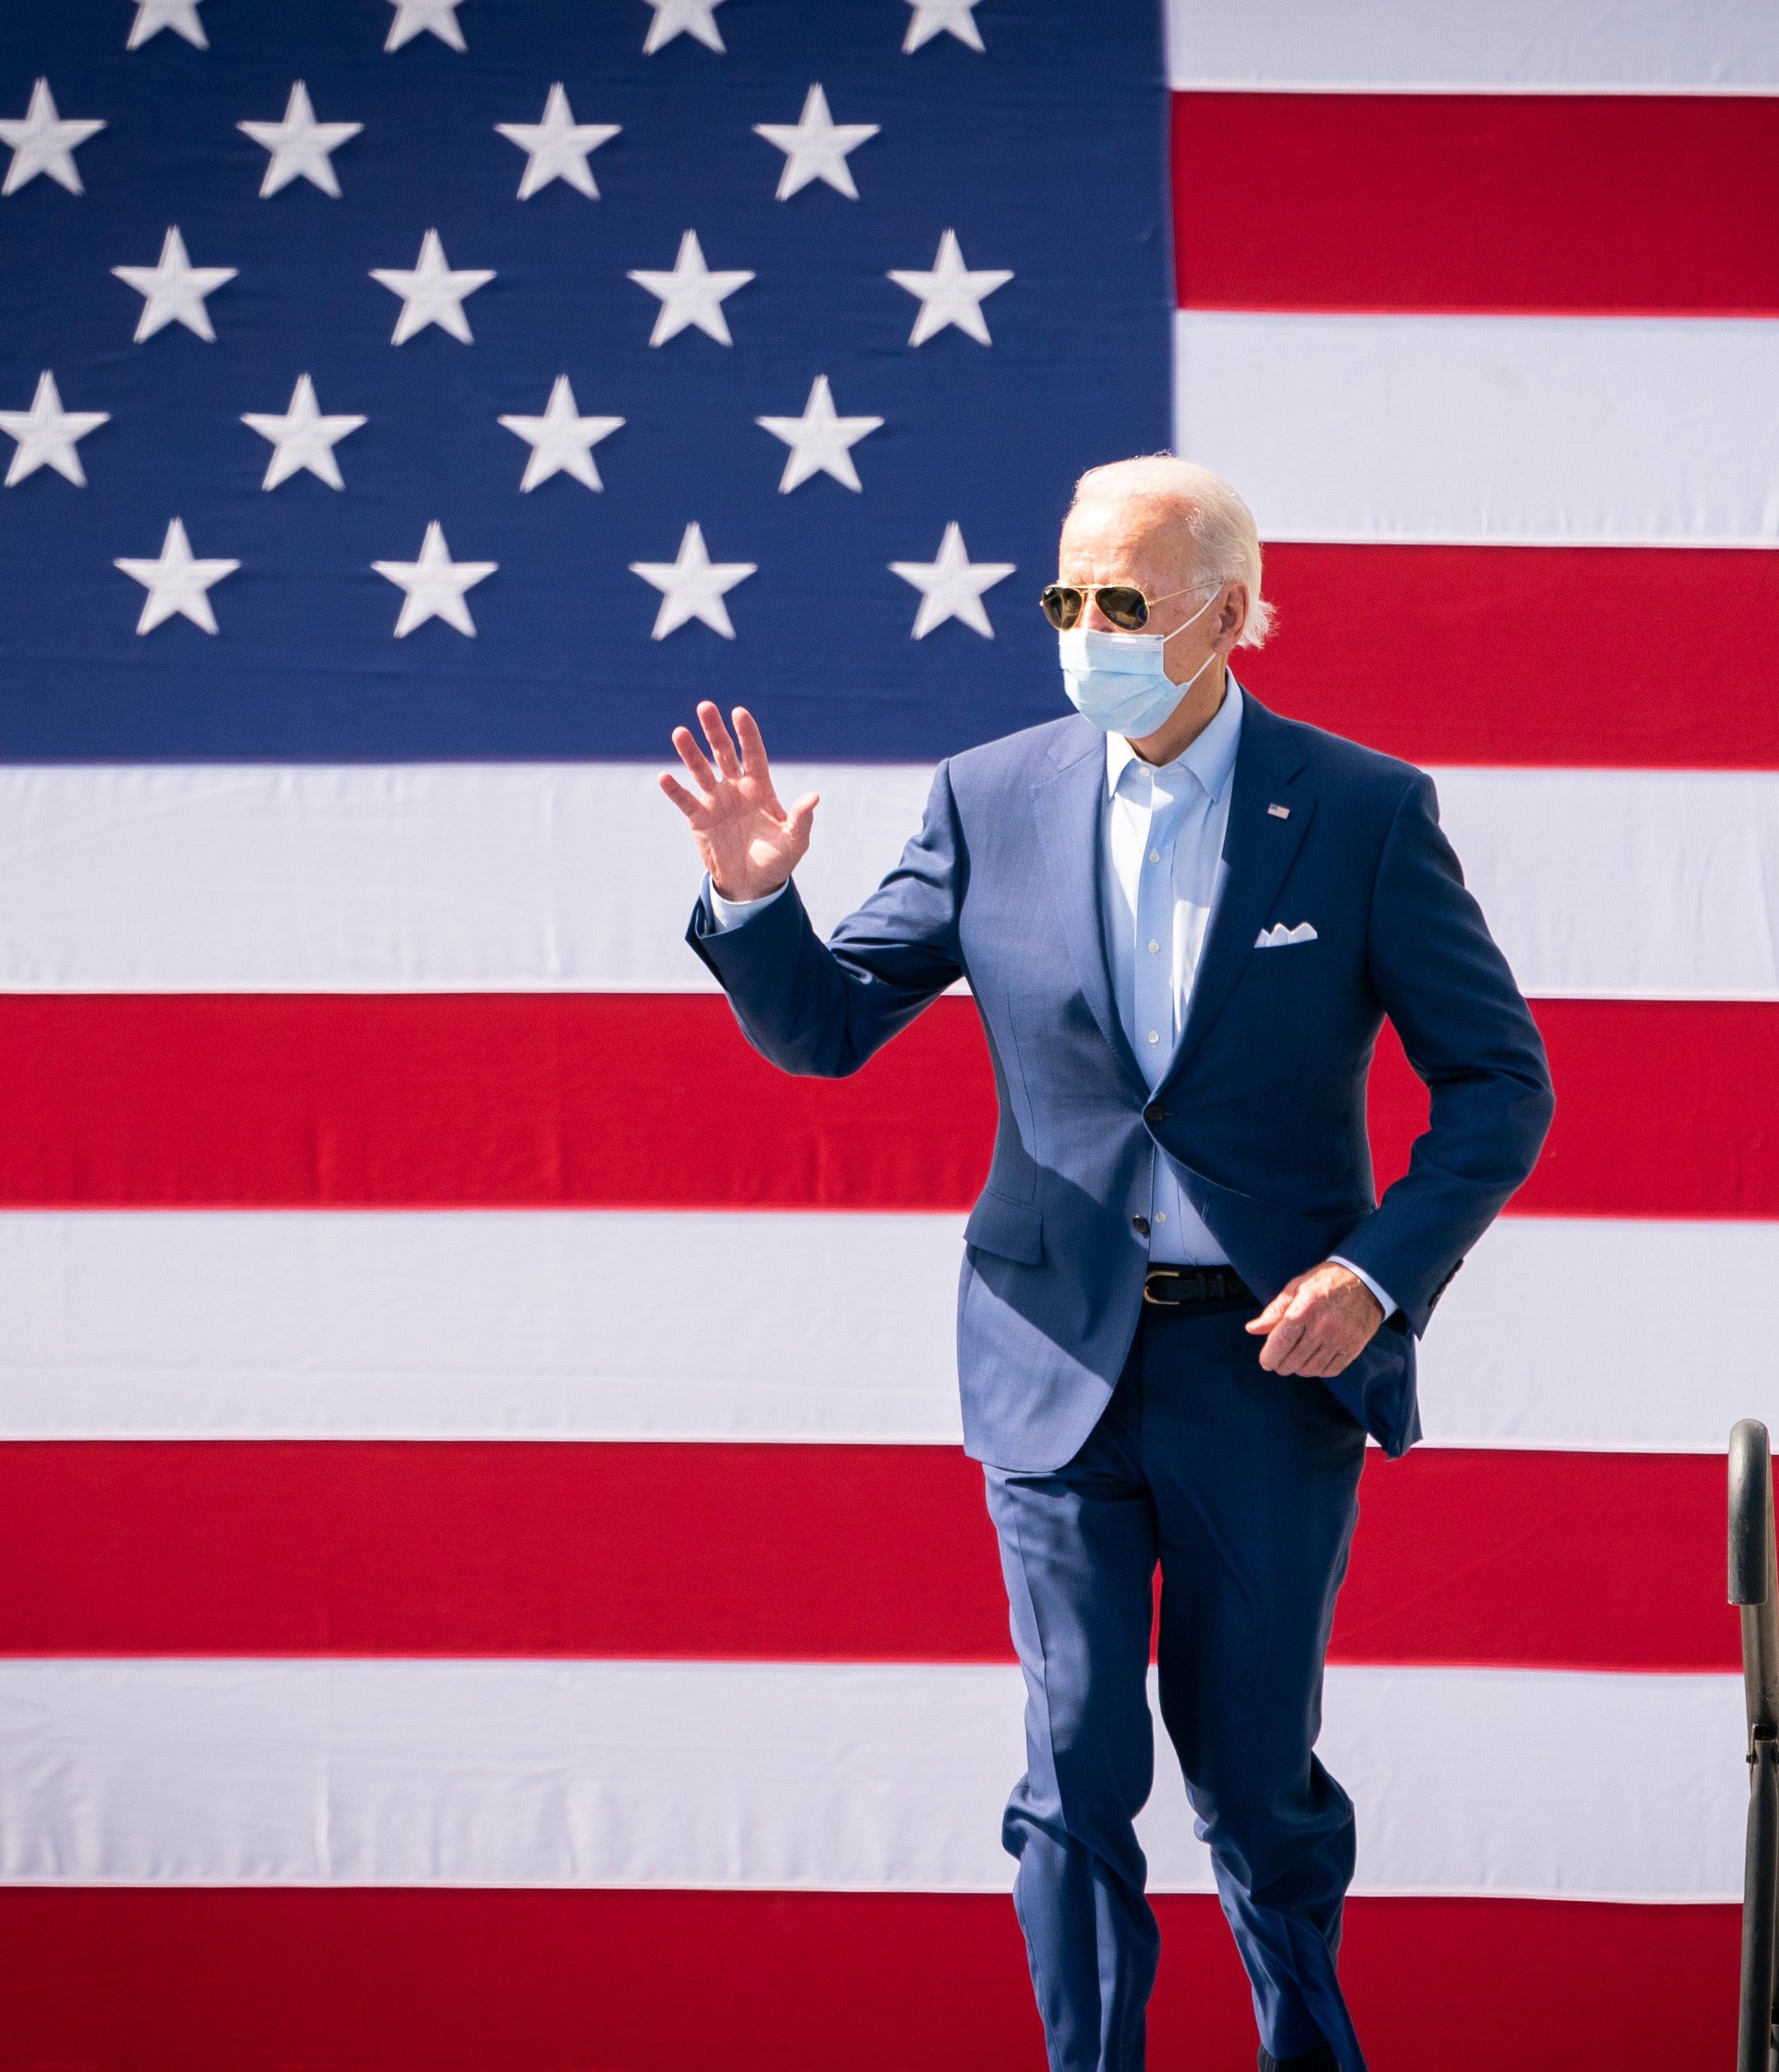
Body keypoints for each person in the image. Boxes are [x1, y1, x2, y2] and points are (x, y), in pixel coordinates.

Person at [660, 455, 1552, 2072]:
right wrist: (753, 898)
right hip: (1053, 1358)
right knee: (1070, 1768)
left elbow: (1500, 1082)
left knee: (1252, 1773)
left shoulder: (1357, 812)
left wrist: (1376, 1273)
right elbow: (826, 1028)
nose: (1085, 630)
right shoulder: (987, 794)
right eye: (1064, 598)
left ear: (1225, 616)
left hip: (1267, 1370)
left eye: (1121, 602)